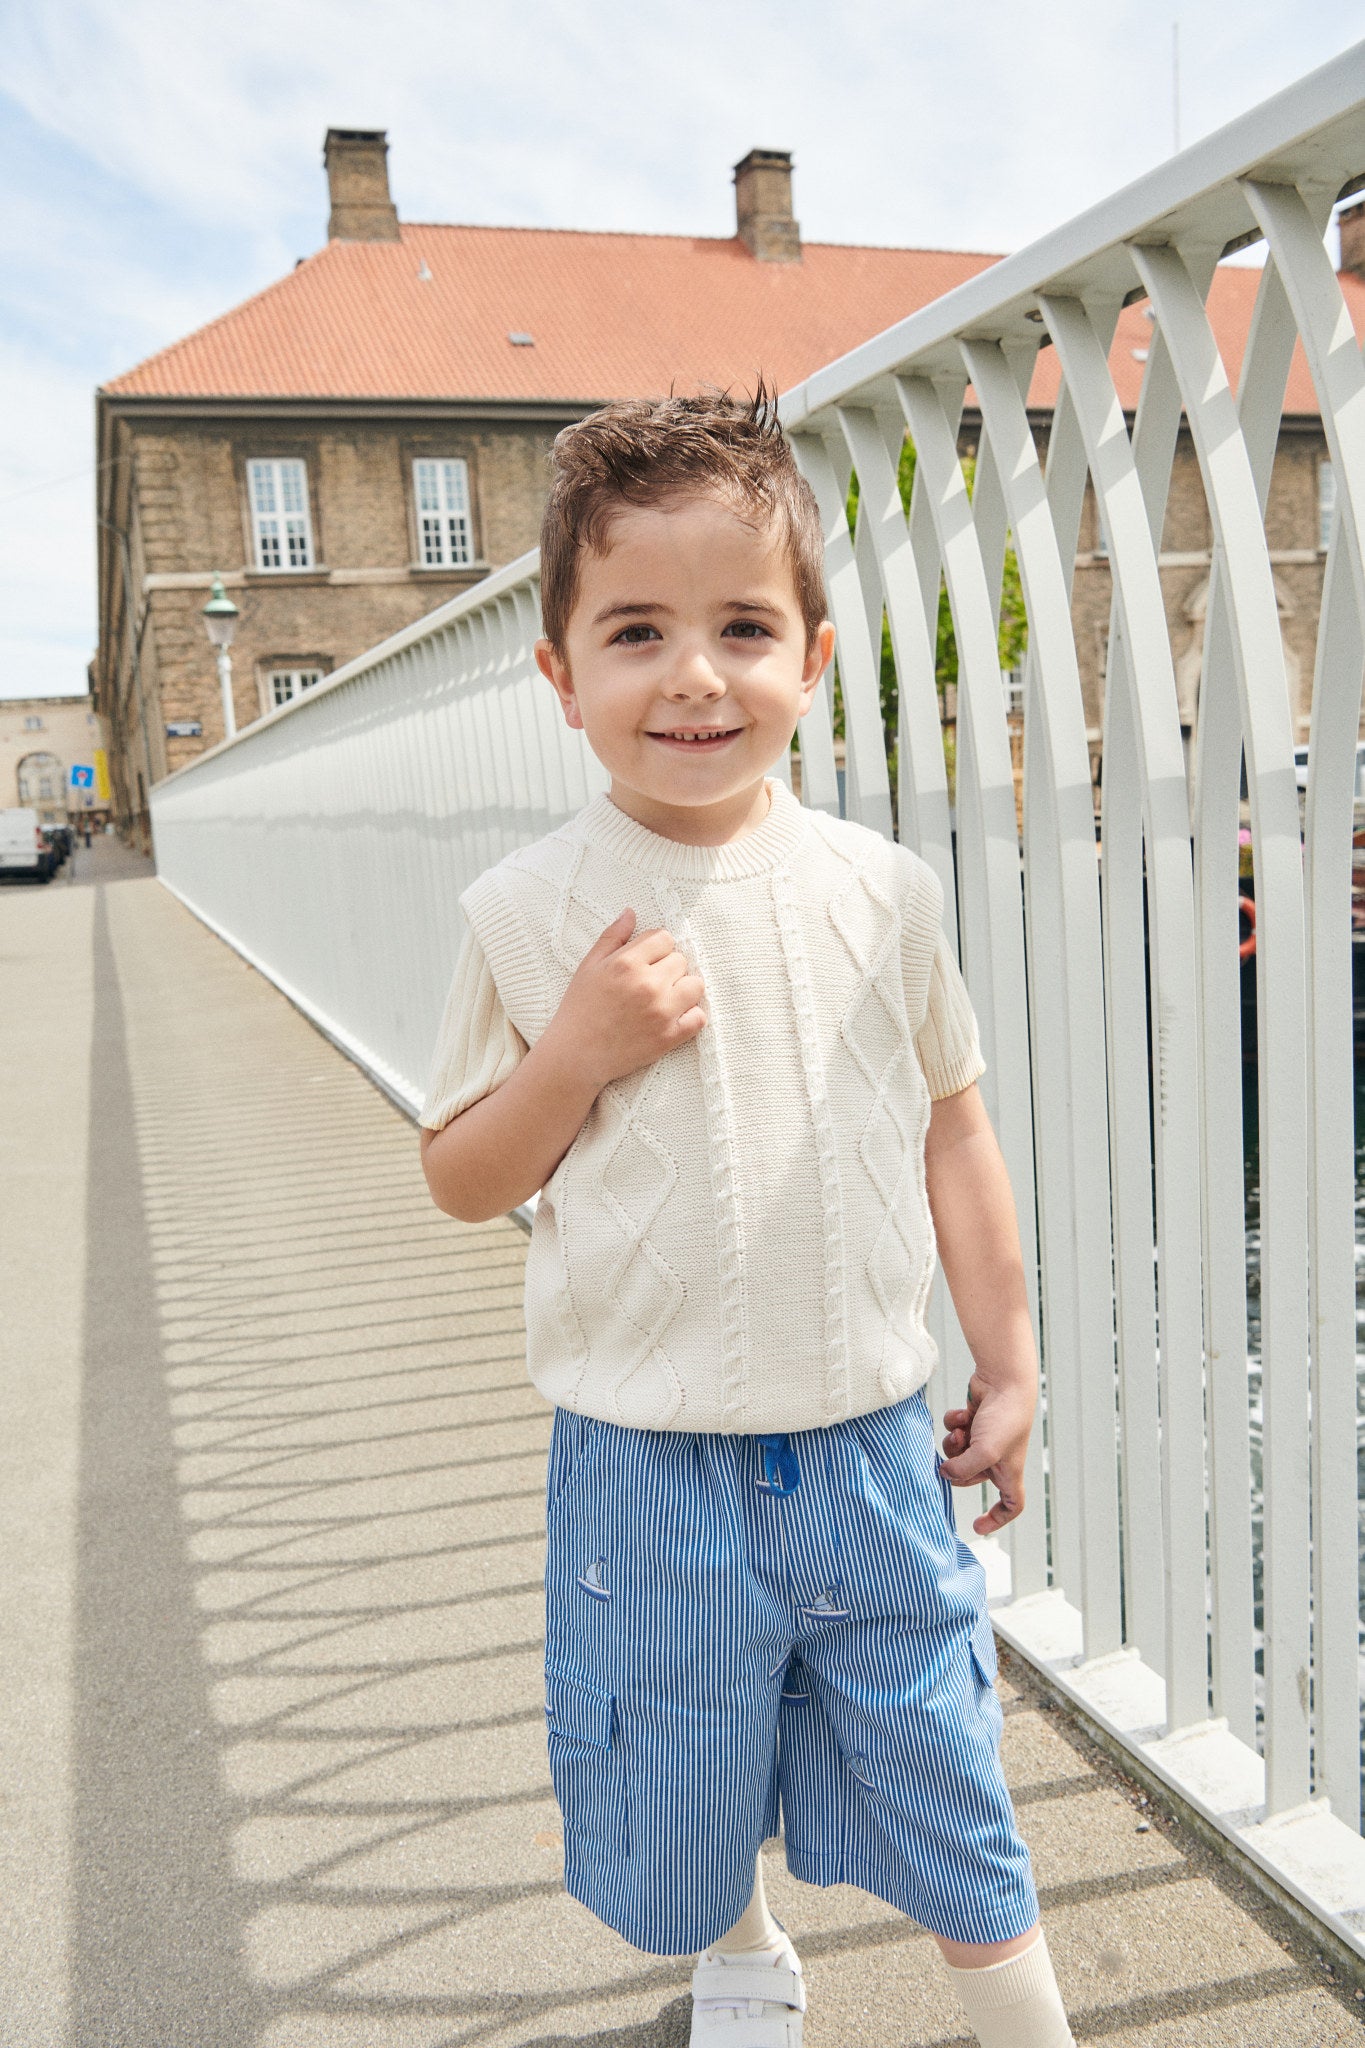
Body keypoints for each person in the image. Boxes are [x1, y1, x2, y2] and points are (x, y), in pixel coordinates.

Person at [419, 390, 1074, 2048]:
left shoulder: (879, 891)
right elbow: (461, 1175)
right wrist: (574, 1051)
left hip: (862, 1439)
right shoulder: (519, 913)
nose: (693, 674)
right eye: (635, 631)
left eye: (741, 627)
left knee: (940, 1758)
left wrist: (1007, 1362)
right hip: (639, 1456)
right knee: (680, 1745)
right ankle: (742, 1952)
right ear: (562, 677)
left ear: (814, 654)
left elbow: (954, 1133)